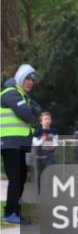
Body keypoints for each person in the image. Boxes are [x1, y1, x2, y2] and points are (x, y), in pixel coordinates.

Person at [2, 64, 42, 224]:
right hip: (9, 143)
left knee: (21, 177)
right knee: (16, 178)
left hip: (19, 144)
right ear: (20, 78)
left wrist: (31, 111)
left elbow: (38, 110)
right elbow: (26, 114)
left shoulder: (22, 96)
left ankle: (14, 212)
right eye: (27, 78)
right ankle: (10, 213)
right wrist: (31, 111)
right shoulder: (10, 93)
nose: (30, 82)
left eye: (33, 80)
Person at [32, 111, 59, 190]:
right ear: (41, 122)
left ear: (51, 121)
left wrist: (54, 146)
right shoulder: (38, 132)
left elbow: (56, 142)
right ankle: (40, 192)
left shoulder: (54, 131)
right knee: (40, 173)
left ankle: (50, 190)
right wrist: (41, 141)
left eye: (49, 119)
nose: (47, 120)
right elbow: (35, 143)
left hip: (50, 154)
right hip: (39, 155)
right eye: (45, 119)